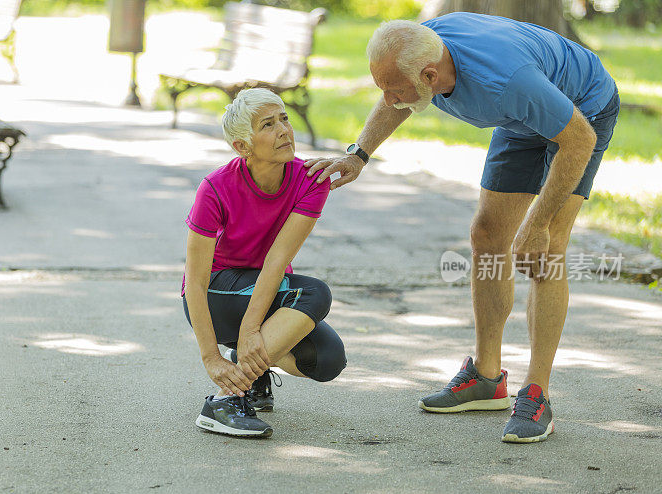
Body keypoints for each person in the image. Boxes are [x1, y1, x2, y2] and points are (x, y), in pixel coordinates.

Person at [304, 13, 619, 443]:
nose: (387, 97)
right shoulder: (422, 43)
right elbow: (397, 98)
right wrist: (358, 155)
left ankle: (537, 392)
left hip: (581, 113)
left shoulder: (505, 81)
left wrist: (537, 222)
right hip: (524, 117)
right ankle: (488, 378)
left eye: (394, 87)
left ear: (430, 76)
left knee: (545, 249)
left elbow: (578, 139)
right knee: (487, 235)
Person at [183, 88, 346, 438]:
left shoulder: (311, 179)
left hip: (263, 291)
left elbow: (277, 260)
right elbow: (194, 280)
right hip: (217, 296)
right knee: (315, 294)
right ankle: (225, 399)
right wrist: (211, 356)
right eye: (268, 125)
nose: (285, 130)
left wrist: (251, 331)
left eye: (284, 118)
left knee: (326, 359)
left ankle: (250, 375)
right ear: (242, 146)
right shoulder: (215, 187)